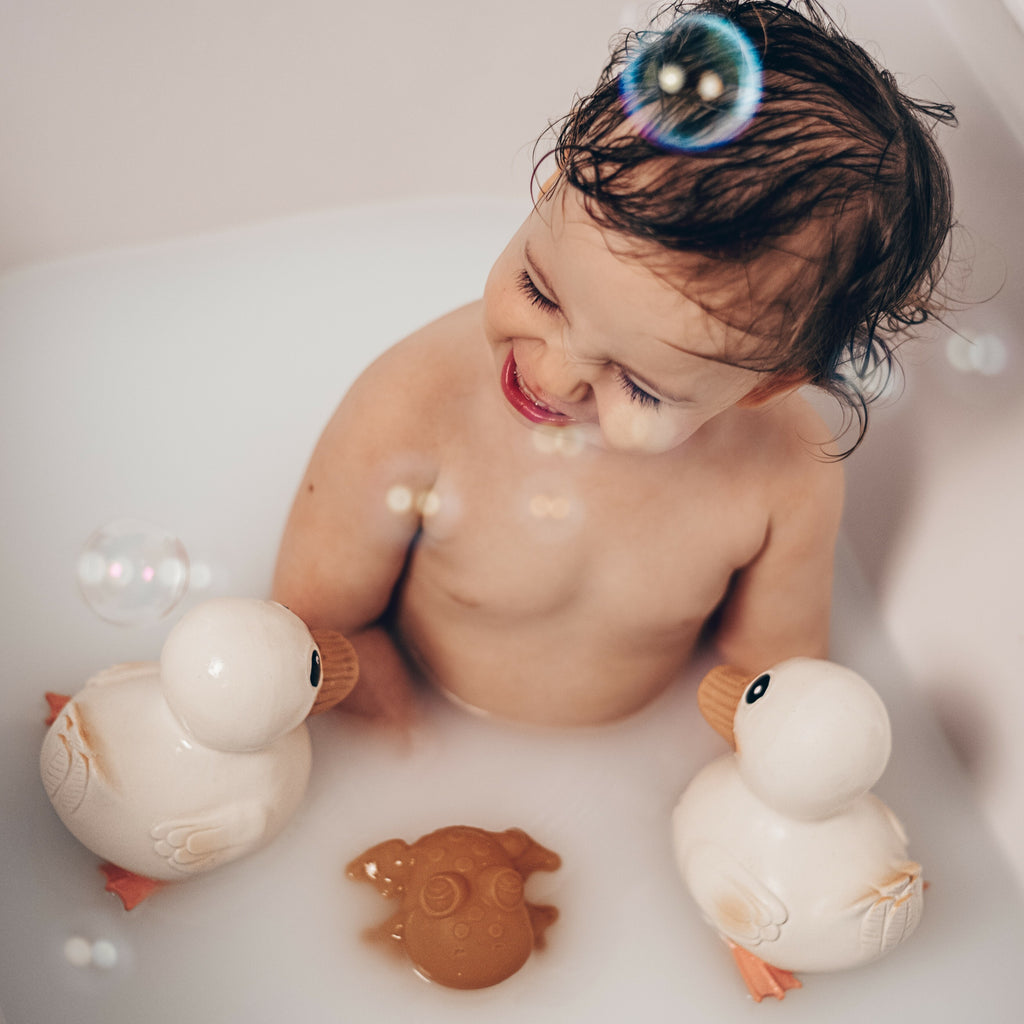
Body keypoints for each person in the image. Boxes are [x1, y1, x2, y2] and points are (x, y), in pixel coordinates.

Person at [272, 0, 955, 727]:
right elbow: (306, 638)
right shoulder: (414, 403)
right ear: (549, 189)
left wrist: (782, 756)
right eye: (540, 292)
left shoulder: (784, 477)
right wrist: (402, 763)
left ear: (767, 385)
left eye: (639, 385)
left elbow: (768, 683)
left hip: (637, 772)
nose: (553, 377)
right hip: (412, 730)